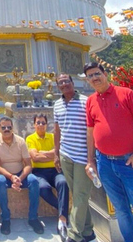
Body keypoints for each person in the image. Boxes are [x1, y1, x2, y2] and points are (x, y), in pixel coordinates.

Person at [83, 62, 133, 242]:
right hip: (105, 163)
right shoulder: (91, 101)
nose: (94, 78)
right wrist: (91, 161)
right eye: (90, 76)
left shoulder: (126, 94)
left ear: (105, 74)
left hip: (129, 162)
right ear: (87, 80)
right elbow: (90, 132)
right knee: (121, 210)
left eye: (97, 73)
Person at [53, 74, 95, 242]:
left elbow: (93, 129)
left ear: (72, 82)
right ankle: (88, 231)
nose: (64, 84)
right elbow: (57, 130)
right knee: (79, 195)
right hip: (66, 155)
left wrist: (92, 158)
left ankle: (75, 235)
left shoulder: (86, 101)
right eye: (60, 82)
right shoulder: (57, 104)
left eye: (66, 81)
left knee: (80, 194)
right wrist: (56, 153)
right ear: (58, 86)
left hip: (83, 156)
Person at [0, 117, 43, 235]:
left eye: (9, 127)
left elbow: (28, 165)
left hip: (20, 174)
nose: (6, 129)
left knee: (34, 181)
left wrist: (20, 178)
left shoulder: (20, 141)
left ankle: (33, 218)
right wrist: (11, 177)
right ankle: (5, 219)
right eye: (3, 127)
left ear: (12, 128)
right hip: (4, 175)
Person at [26, 114, 69, 240]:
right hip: (38, 171)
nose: (40, 125)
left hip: (55, 170)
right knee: (43, 188)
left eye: (43, 123)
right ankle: (62, 210)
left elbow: (59, 151)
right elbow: (35, 157)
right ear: (34, 124)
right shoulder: (30, 138)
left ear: (47, 124)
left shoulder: (53, 136)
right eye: (38, 122)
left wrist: (45, 153)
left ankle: (62, 218)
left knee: (63, 183)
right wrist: (52, 153)